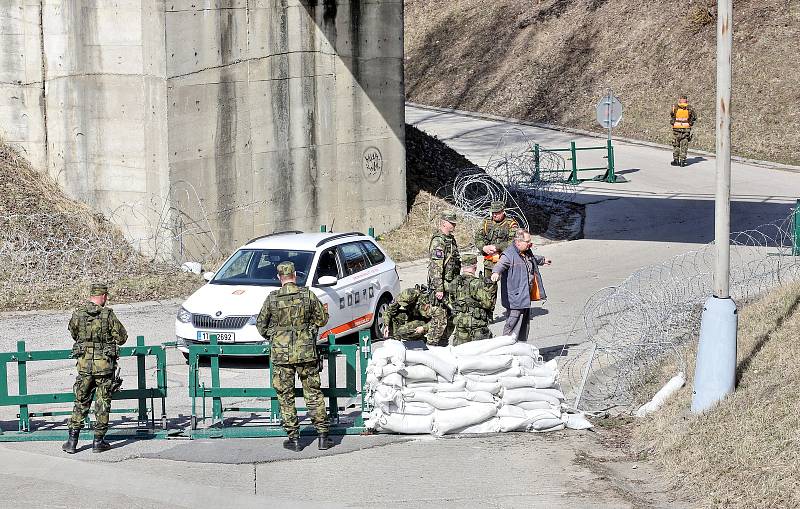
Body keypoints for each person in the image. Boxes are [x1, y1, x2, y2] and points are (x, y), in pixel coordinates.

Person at [256, 261, 333, 452]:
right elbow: (322, 319)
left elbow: (261, 326)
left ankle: (295, 439)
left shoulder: (272, 298)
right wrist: (311, 329)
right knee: (313, 393)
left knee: (285, 396)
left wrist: (276, 337)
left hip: (282, 356)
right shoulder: (307, 295)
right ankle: (323, 436)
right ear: (295, 275)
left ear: (279, 277)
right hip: (306, 352)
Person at [62, 283, 128, 454]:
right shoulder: (108, 315)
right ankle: (98, 442)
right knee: (103, 402)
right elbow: (122, 338)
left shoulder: (78, 314)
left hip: (85, 366)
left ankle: (72, 441)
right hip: (104, 366)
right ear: (103, 296)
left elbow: (74, 333)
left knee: (81, 401)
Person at [491, 229, 551, 342]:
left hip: (525, 297)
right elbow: (500, 264)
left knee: (524, 326)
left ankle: (521, 348)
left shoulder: (526, 252)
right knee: (512, 326)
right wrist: (496, 273)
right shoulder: (508, 255)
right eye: (527, 241)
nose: (530, 244)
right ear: (518, 242)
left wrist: (543, 260)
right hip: (515, 299)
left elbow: (532, 259)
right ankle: (506, 349)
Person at [448, 253, 496, 346]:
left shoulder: (454, 283)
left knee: (460, 353)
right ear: (475, 266)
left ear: (463, 266)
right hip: (477, 324)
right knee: (482, 353)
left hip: (460, 323)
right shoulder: (477, 283)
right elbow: (488, 304)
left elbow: (452, 302)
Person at [381, 286, 447, 345]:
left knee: (402, 331)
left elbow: (440, 318)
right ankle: (396, 340)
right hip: (413, 316)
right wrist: (386, 325)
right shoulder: (401, 297)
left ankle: (422, 340)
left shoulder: (424, 303)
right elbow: (388, 311)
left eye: (406, 304)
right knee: (393, 318)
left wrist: (424, 328)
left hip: (425, 321)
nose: (404, 305)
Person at [474, 200, 519, 278]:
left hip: (506, 260)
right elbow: (478, 238)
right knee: (489, 287)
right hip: (490, 261)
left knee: (508, 287)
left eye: (497, 213)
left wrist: (497, 247)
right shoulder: (486, 223)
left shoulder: (511, 224)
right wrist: (484, 247)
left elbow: (513, 243)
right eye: (493, 213)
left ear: (503, 211)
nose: (494, 215)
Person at [428, 210, 461, 302]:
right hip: (443, 286)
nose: (454, 225)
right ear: (444, 223)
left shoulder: (450, 239)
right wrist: (439, 288)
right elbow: (436, 266)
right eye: (452, 223)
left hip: (451, 283)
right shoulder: (438, 241)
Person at [670, 95, 697, 167]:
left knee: (676, 144)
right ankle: (682, 161)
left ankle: (676, 160)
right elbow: (694, 117)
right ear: (686, 100)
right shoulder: (690, 108)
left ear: (680, 99)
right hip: (686, 129)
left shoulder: (675, 107)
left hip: (676, 129)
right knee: (684, 144)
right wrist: (690, 122)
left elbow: (672, 115)